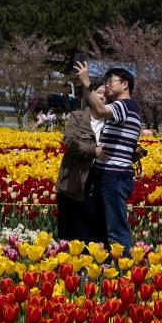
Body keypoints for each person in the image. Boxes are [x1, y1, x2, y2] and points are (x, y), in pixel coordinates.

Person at [74, 61, 142, 250]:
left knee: (115, 229)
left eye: (111, 81)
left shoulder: (125, 105)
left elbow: (100, 110)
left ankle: (124, 264)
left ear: (125, 84)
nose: (107, 86)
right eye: (106, 82)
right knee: (102, 228)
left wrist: (87, 82)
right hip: (109, 175)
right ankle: (107, 263)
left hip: (114, 176)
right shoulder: (126, 108)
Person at [55, 83, 108, 244]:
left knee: (92, 235)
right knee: (69, 234)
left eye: (107, 94)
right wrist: (93, 151)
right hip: (73, 180)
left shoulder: (111, 124)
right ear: (91, 95)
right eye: (99, 92)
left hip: (97, 183)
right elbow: (70, 142)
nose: (103, 96)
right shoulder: (77, 117)